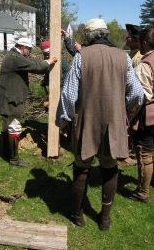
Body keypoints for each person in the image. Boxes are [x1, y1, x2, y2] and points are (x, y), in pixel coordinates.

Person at [56, 18, 144, 231]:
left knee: (82, 166)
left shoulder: (81, 57)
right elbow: (137, 94)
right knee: (109, 168)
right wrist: (122, 112)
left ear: (87, 37)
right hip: (113, 123)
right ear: (105, 34)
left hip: (86, 121)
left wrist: (64, 121)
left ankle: (77, 214)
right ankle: (104, 219)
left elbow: (68, 95)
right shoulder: (123, 57)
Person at [0, 37, 57, 166]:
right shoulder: (15, 57)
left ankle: (7, 152)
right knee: (14, 127)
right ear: (24, 48)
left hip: (6, 96)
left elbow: (31, 61)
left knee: (6, 126)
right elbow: (34, 66)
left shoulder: (13, 55)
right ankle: (14, 159)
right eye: (29, 50)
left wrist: (44, 62)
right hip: (11, 99)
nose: (30, 52)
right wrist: (48, 62)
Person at [127, 28, 154, 203]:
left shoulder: (145, 64)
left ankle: (143, 192)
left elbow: (140, 97)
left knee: (145, 153)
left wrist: (128, 118)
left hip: (148, 115)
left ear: (144, 43)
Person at [119, 24, 143, 167]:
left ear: (136, 40)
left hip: (136, 99)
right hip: (129, 96)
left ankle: (133, 155)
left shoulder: (138, 57)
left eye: (130, 36)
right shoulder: (132, 53)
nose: (127, 37)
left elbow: (137, 84)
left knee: (133, 125)